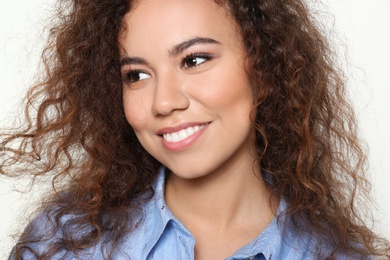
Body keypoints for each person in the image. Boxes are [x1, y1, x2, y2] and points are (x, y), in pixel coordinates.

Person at [2, 0, 389, 259]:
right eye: (136, 75)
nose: (163, 102)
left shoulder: (337, 254)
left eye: (195, 59)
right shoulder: (63, 242)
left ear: (265, 69)